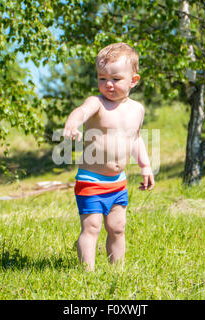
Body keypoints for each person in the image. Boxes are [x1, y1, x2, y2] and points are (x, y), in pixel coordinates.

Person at [63, 43, 155, 271]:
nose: (108, 84)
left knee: (117, 227)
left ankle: (117, 270)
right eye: (102, 78)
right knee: (92, 227)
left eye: (115, 78)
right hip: (91, 180)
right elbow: (81, 111)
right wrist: (73, 122)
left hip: (117, 182)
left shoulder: (137, 110)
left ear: (133, 80)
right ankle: (88, 272)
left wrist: (145, 166)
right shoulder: (98, 103)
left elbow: (135, 139)